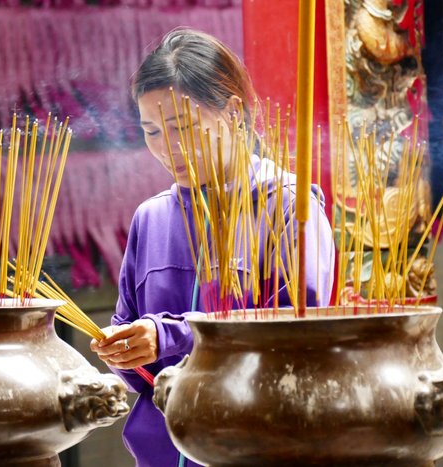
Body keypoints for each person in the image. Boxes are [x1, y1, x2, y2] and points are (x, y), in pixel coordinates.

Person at [89, 29, 335, 467]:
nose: (167, 148)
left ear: (233, 112)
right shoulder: (151, 218)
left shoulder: (287, 206)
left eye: (181, 127)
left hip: (261, 446)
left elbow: (298, 327)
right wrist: (123, 352)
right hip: (162, 454)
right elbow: (133, 351)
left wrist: (168, 336)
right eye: (151, 131)